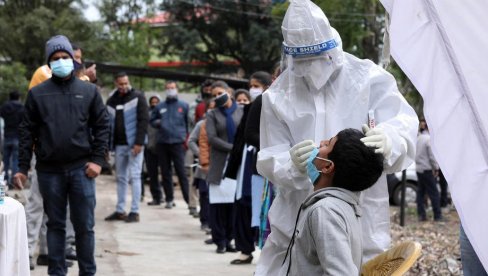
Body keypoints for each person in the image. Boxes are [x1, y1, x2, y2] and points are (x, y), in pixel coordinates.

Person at [255, 1, 419, 274]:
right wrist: (290, 164)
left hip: (361, 212)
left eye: (318, 58)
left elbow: (404, 122)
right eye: (304, 61)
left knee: (359, 263)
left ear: (333, 47)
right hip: (298, 211)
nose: (312, 68)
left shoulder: (370, 79)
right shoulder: (278, 96)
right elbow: (270, 155)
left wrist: (391, 139)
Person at [15, 35, 109, 275]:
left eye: (65, 57)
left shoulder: (88, 91)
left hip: (82, 170)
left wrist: (98, 161)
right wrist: (22, 167)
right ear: (49, 63)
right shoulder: (38, 94)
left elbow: (102, 126)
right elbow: (27, 131)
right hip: (49, 171)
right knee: (55, 225)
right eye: (55, 58)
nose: (61, 61)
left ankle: (87, 271)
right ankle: (56, 272)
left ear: (73, 59)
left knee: (84, 227)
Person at [282, 128, 384, 275]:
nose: (321, 142)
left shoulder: (325, 211)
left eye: (327, 144)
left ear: (328, 166)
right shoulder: (341, 206)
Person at [105, 72, 148, 223]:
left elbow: (143, 120)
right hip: (118, 145)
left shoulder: (138, 97)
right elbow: (107, 124)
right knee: (121, 178)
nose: (124, 86)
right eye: (120, 84)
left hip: (134, 145)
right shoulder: (111, 101)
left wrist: (139, 142)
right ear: (116, 84)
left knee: (135, 176)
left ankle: (135, 211)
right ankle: (120, 210)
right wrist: (107, 147)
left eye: (125, 83)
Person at [206, 80, 243, 253]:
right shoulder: (212, 114)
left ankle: (230, 240)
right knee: (218, 206)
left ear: (229, 92)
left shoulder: (241, 111)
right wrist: (233, 149)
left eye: (220, 93)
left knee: (233, 205)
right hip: (219, 163)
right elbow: (212, 138)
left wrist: (237, 151)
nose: (217, 97)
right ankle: (219, 241)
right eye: (214, 95)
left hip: (238, 163)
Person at [151, 81, 190, 208]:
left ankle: (189, 200)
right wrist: (159, 123)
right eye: (168, 88)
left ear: (177, 89)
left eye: (172, 88)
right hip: (162, 142)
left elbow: (188, 124)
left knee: (181, 172)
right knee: (165, 172)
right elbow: (152, 120)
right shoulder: (160, 106)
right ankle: (169, 199)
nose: (170, 90)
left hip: (178, 143)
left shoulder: (183, 106)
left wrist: (185, 139)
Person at [415, 121, 442, 221]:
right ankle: (437, 216)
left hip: (419, 169)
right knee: (434, 193)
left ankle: (421, 215)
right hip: (427, 169)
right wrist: (436, 168)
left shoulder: (419, 138)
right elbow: (432, 156)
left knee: (420, 193)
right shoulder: (429, 139)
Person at [0, 91, 24, 188]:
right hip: (17, 137)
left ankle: (5, 180)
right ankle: (14, 183)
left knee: (5, 161)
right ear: (18, 97)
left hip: (6, 137)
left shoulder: (4, 107)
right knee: (15, 161)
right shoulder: (22, 107)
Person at [146, 95, 163, 206]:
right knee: (152, 174)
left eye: (157, 102)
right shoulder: (146, 114)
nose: (154, 104)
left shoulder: (164, 113)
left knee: (166, 174)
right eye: (152, 102)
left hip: (162, 146)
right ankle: (156, 197)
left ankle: (167, 197)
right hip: (149, 147)